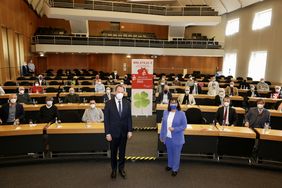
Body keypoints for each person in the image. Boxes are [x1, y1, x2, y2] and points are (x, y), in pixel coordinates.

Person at [104, 84, 133, 179]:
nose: (120, 93)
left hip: (124, 133)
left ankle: (121, 168)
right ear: (115, 92)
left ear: (124, 93)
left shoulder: (127, 103)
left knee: (122, 152)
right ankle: (113, 170)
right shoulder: (109, 103)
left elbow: (129, 118)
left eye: (122, 92)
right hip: (113, 133)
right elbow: (106, 120)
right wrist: (107, 133)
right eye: (118, 91)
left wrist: (130, 130)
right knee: (113, 153)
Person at [160, 99, 187, 176]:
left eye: (175, 103)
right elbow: (163, 125)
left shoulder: (181, 114)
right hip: (168, 137)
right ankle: (170, 165)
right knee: (170, 152)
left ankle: (175, 169)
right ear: (169, 104)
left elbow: (184, 126)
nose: (173, 104)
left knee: (176, 154)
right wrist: (162, 136)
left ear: (177, 104)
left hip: (177, 138)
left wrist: (174, 129)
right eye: (171, 103)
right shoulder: (165, 112)